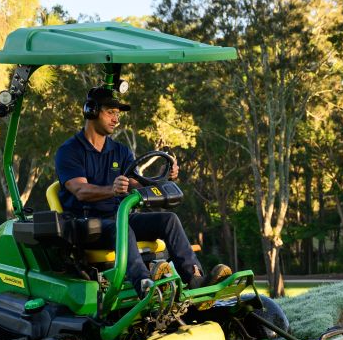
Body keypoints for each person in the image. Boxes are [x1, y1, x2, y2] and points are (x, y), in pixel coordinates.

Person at [54, 86, 229, 297]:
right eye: (110, 112)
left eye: (118, 114)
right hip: (86, 225)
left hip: (118, 217)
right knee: (121, 228)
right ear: (91, 111)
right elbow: (80, 190)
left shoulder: (120, 150)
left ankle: (196, 281)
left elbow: (137, 183)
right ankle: (145, 284)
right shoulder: (70, 151)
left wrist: (165, 176)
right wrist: (112, 189)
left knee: (169, 220)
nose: (116, 119)